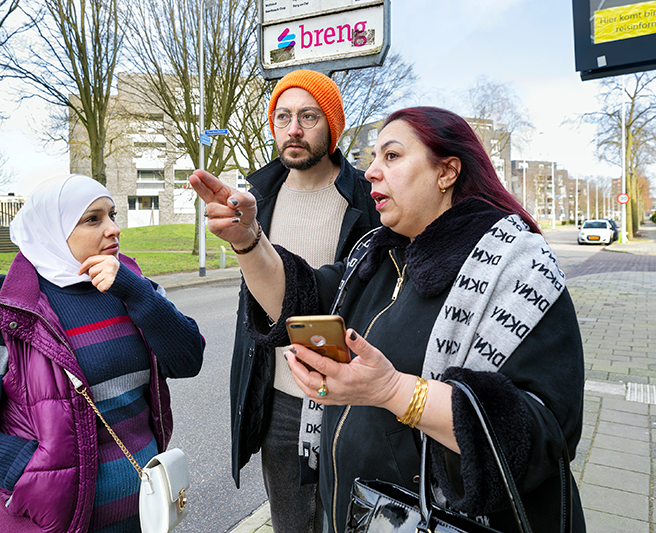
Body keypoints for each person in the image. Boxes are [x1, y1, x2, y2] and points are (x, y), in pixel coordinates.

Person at [192, 107, 585, 533]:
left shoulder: (519, 269)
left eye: (392, 156)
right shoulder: (376, 254)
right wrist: (248, 239)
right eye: (373, 158)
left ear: (447, 172)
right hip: (358, 515)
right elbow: (300, 299)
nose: (371, 172)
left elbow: (542, 435)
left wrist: (393, 391)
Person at [0, 174, 204, 533]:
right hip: (52, 523)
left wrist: (137, 293)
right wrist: (33, 473)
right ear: (51, 230)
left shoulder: (133, 288)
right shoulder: (1, 311)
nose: (114, 228)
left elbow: (188, 361)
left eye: (112, 215)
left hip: (147, 515)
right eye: (93, 219)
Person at [227, 69, 380, 533]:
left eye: (308, 117)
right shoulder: (256, 199)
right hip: (278, 399)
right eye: (283, 117)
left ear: (332, 126)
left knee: (354, 520)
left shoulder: (369, 200)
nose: (293, 128)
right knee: (290, 523)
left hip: (352, 399)